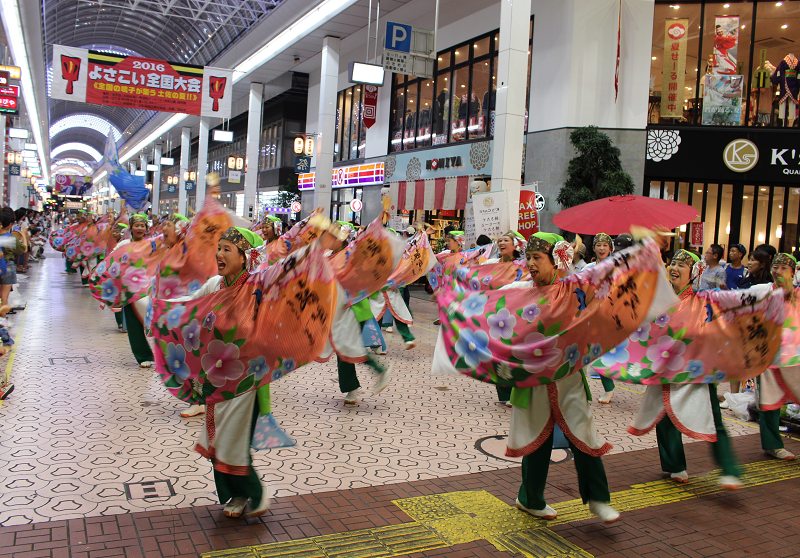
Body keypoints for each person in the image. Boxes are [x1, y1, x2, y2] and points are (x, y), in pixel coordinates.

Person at [501, 232, 620, 524]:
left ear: (557, 260)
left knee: (584, 436)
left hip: (568, 377)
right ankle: (529, 499)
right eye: (527, 257)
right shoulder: (517, 290)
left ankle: (598, 500)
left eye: (537, 257)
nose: (530, 263)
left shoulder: (573, 290)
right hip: (533, 381)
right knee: (535, 441)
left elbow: (607, 292)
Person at [628, 249, 742, 490]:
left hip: (696, 370)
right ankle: (674, 465)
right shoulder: (660, 298)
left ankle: (730, 469)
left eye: (682, 265)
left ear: (694, 273)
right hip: (664, 368)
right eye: (674, 263)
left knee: (714, 420)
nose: (675, 268)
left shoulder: (703, 301)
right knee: (664, 418)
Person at [756, 253, 798, 461]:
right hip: (768, 356)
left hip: (795, 358)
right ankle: (773, 444)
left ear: (794, 272)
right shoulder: (762, 291)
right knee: (769, 402)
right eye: (775, 267)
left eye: (784, 268)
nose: (778, 272)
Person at [585, 233, 616, 404]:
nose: (602, 248)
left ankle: (609, 389)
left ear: (610, 248)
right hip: (592, 313)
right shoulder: (589, 268)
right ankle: (608, 388)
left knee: (602, 352)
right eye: (599, 245)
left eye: (605, 245)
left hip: (610, 314)